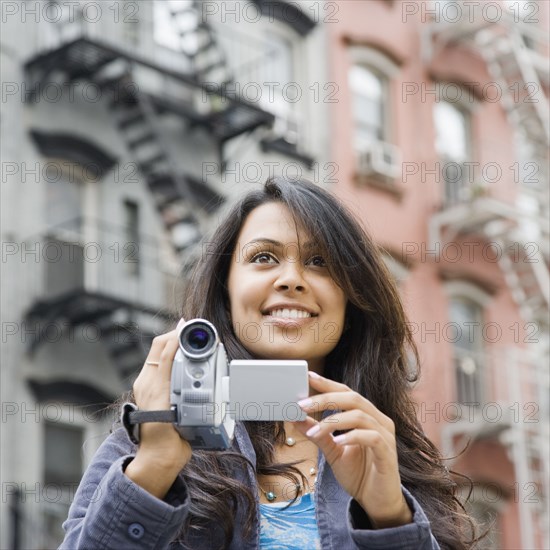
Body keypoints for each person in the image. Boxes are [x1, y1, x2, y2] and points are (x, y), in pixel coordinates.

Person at [61, 176, 476, 549]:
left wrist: (389, 517)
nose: (291, 279)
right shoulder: (142, 445)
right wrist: (154, 467)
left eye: (320, 262)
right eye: (263, 258)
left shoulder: (390, 455)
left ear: (352, 298)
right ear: (226, 290)